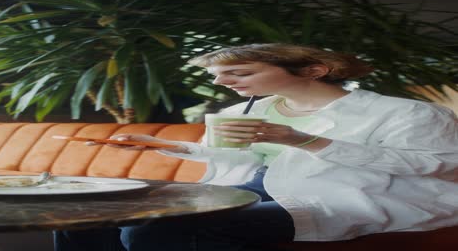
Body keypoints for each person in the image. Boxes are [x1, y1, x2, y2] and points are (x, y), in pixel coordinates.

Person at [54, 43, 458, 251]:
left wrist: (307, 141)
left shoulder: (408, 114)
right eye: (217, 75)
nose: (222, 82)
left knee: (162, 227)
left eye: (239, 72)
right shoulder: (250, 108)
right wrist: (157, 144)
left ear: (315, 71)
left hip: (352, 196)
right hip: (258, 188)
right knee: (94, 215)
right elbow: (236, 158)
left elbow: (437, 166)